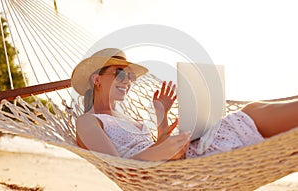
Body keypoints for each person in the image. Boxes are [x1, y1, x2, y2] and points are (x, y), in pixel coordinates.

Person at [71, 48, 298, 161]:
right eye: (120, 74)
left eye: (130, 76)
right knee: (251, 114)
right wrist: (166, 149)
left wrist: (161, 114)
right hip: (181, 167)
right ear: (96, 79)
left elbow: (157, 148)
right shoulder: (88, 121)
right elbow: (120, 167)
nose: (128, 81)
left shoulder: (128, 118)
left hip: (181, 158)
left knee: (252, 110)